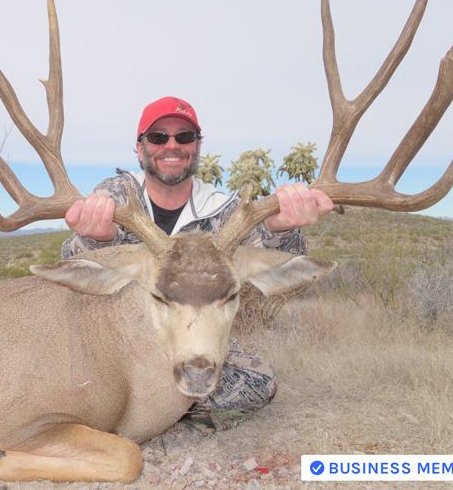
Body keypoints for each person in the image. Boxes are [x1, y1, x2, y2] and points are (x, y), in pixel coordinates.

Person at [61, 96, 334, 430]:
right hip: (116, 341)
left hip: (193, 337)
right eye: (159, 137)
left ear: (197, 146)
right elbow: (73, 280)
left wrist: (281, 227)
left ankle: (152, 410)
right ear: (139, 147)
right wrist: (95, 239)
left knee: (261, 381)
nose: (172, 145)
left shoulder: (223, 211)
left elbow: (289, 273)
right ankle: (139, 408)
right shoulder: (113, 198)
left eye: (184, 137)